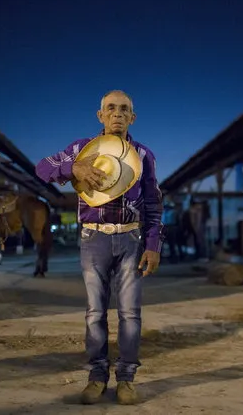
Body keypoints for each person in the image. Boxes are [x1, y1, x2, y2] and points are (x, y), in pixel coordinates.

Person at [35, 90, 163, 405]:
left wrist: (154, 243)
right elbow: (41, 168)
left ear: (132, 117)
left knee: (130, 314)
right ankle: (96, 377)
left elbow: (153, 204)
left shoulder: (144, 155)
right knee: (95, 313)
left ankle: (127, 380)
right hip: (93, 239)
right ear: (100, 115)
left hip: (131, 239)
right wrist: (73, 169)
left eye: (124, 110)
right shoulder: (80, 149)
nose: (117, 114)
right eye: (110, 108)